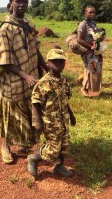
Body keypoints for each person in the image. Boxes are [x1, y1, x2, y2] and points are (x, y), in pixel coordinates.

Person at [0, 0, 48, 164]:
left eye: (25, 1)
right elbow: (4, 60)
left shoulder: (28, 25)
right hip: (14, 81)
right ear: (10, 3)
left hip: (31, 78)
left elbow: (35, 48)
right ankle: (5, 145)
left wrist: (44, 66)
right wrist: (25, 75)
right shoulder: (5, 29)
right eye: (18, 1)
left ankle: (23, 144)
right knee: (11, 115)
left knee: (28, 112)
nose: (22, 4)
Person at [27, 48, 76, 178]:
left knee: (64, 145)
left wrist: (71, 115)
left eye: (61, 62)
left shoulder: (64, 81)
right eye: (55, 61)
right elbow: (35, 103)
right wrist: (37, 121)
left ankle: (59, 166)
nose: (59, 64)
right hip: (50, 121)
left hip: (63, 120)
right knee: (53, 148)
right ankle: (33, 158)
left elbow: (65, 100)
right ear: (48, 63)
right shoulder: (43, 83)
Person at [77, 5, 106, 97]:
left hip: (94, 50)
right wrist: (90, 47)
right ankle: (84, 88)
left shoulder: (93, 24)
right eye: (90, 12)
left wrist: (101, 38)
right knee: (92, 68)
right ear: (85, 13)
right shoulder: (83, 24)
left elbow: (95, 37)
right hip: (87, 50)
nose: (92, 14)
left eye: (94, 12)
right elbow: (79, 39)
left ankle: (89, 86)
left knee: (93, 68)